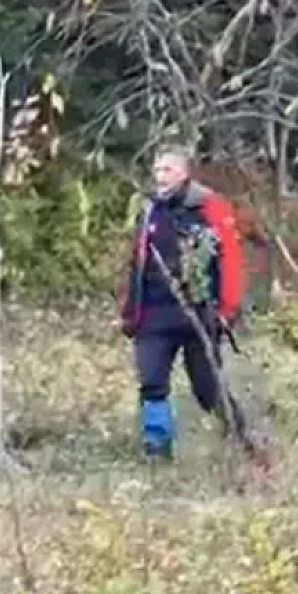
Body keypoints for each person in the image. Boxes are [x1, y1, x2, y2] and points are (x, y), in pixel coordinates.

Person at [118, 148, 245, 459]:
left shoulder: (209, 206)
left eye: (167, 170)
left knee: (207, 388)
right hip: (154, 316)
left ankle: (242, 438)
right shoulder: (149, 209)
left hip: (199, 315)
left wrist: (226, 309)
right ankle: (157, 450)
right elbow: (138, 263)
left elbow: (230, 260)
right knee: (151, 382)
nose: (159, 177)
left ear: (184, 173)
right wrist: (129, 312)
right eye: (157, 170)